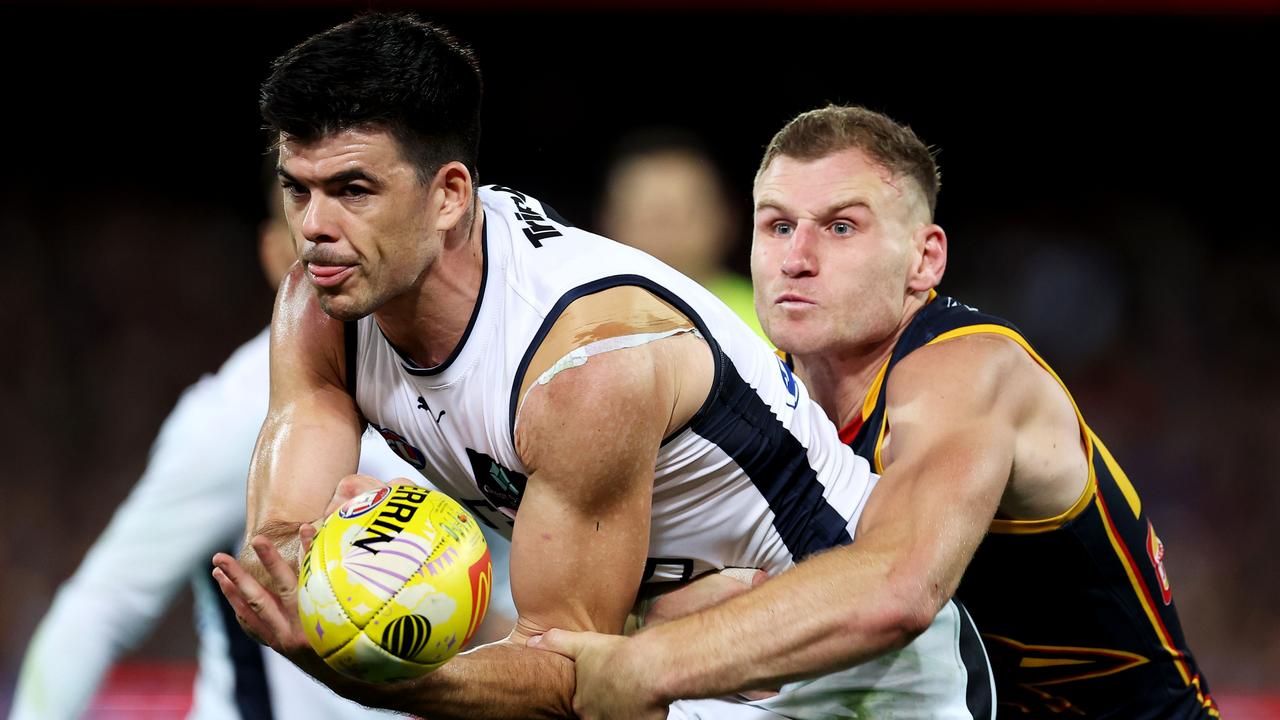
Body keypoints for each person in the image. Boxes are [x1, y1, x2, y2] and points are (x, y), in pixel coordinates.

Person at [209, 13, 992, 720]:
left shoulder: (587, 362)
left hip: (859, 679)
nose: (314, 227)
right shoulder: (322, 300)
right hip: (672, 666)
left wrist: (359, 663)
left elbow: (567, 678)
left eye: (352, 190)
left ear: (449, 196)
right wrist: (303, 576)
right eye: (297, 189)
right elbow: (280, 542)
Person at [535, 105, 1219, 719]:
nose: (795, 259)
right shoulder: (766, 394)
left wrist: (649, 663)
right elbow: (683, 602)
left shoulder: (970, 369)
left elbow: (897, 588)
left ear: (925, 259)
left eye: (840, 226)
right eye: (777, 225)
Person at [10, 162, 515, 720]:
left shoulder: (450, 385)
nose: (333, 244)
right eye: (309, 233)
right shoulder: (232, 415)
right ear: (277, 255)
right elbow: (102, 606)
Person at [599, 129, 765, 339]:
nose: (666, 234)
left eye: (683, 215)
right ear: (609, 224)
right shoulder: (571, 322)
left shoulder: (768, 320)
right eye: (648, 217)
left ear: (726, 219)